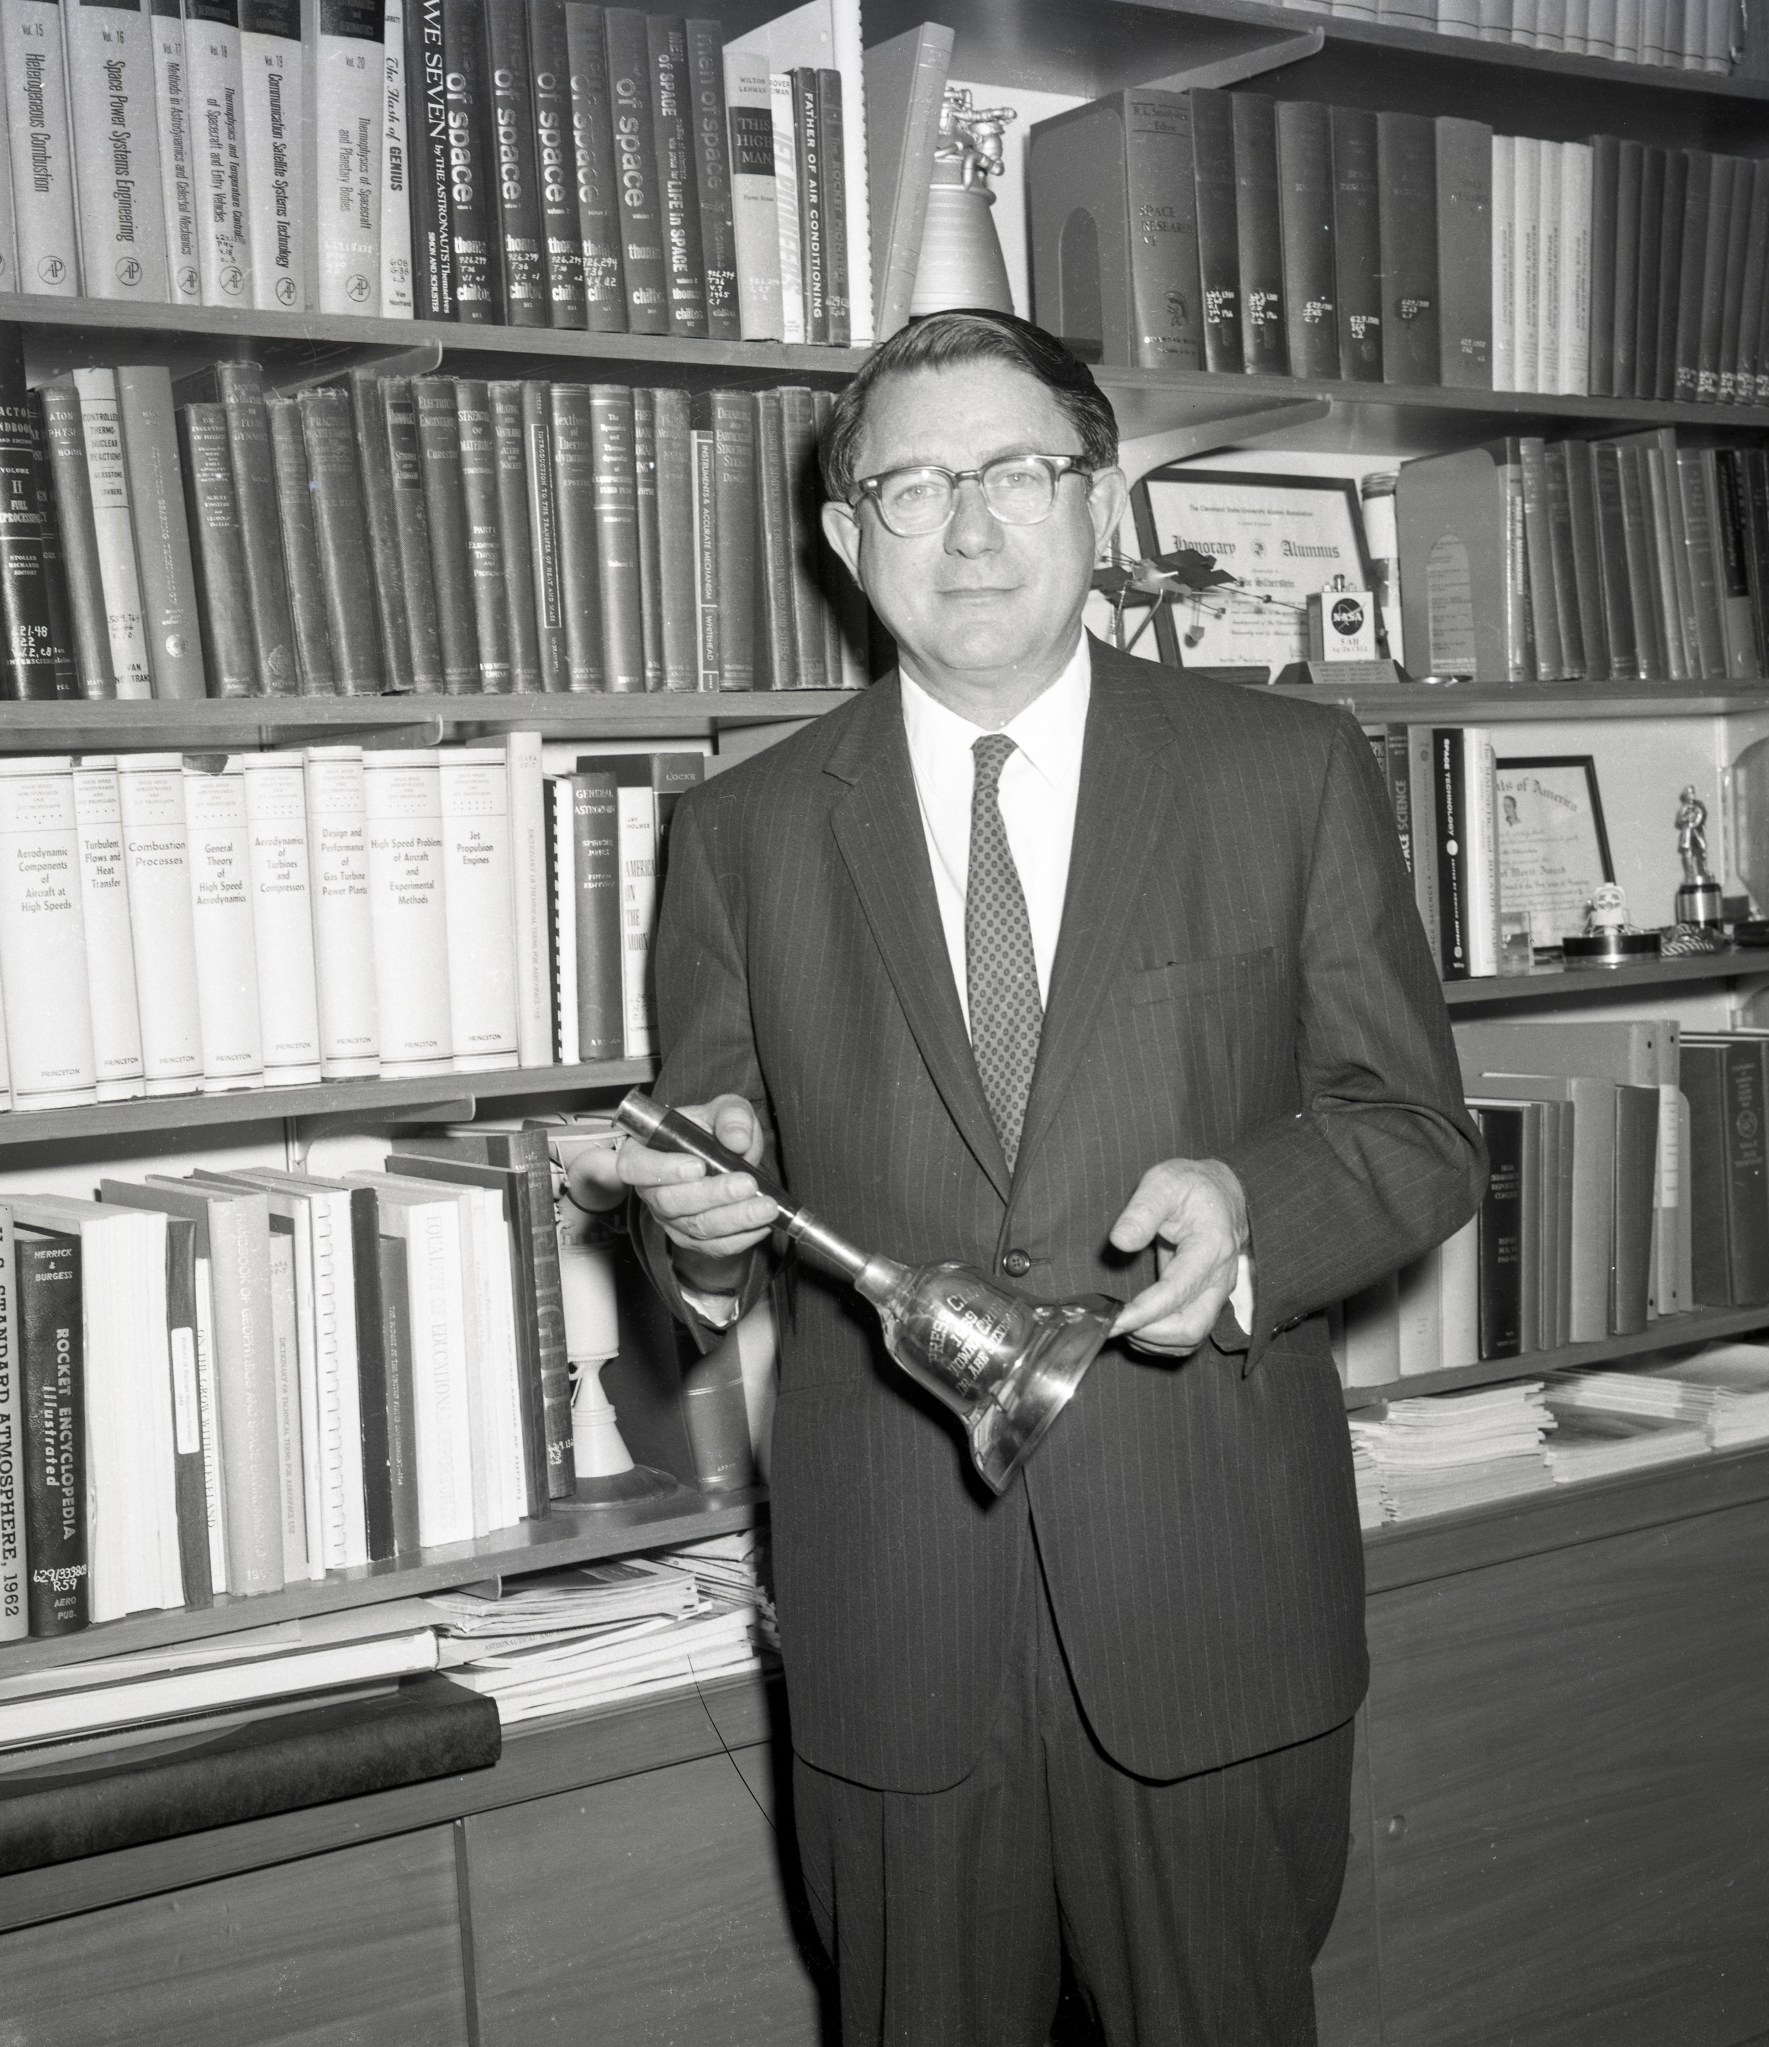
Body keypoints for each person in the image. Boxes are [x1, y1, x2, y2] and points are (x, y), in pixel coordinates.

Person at [570, 309, 1484, 2047]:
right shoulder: (737, 836)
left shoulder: (1285, 774)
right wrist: (691, 1244)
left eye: (1014, 472)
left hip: (1207, 1593)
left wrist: (1250, 1206)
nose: (969, 528)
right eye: (910, 487)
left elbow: (1410, 1132)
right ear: (846, 542)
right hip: (894, 1624)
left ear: (1094, 496)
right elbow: (710, 1196)